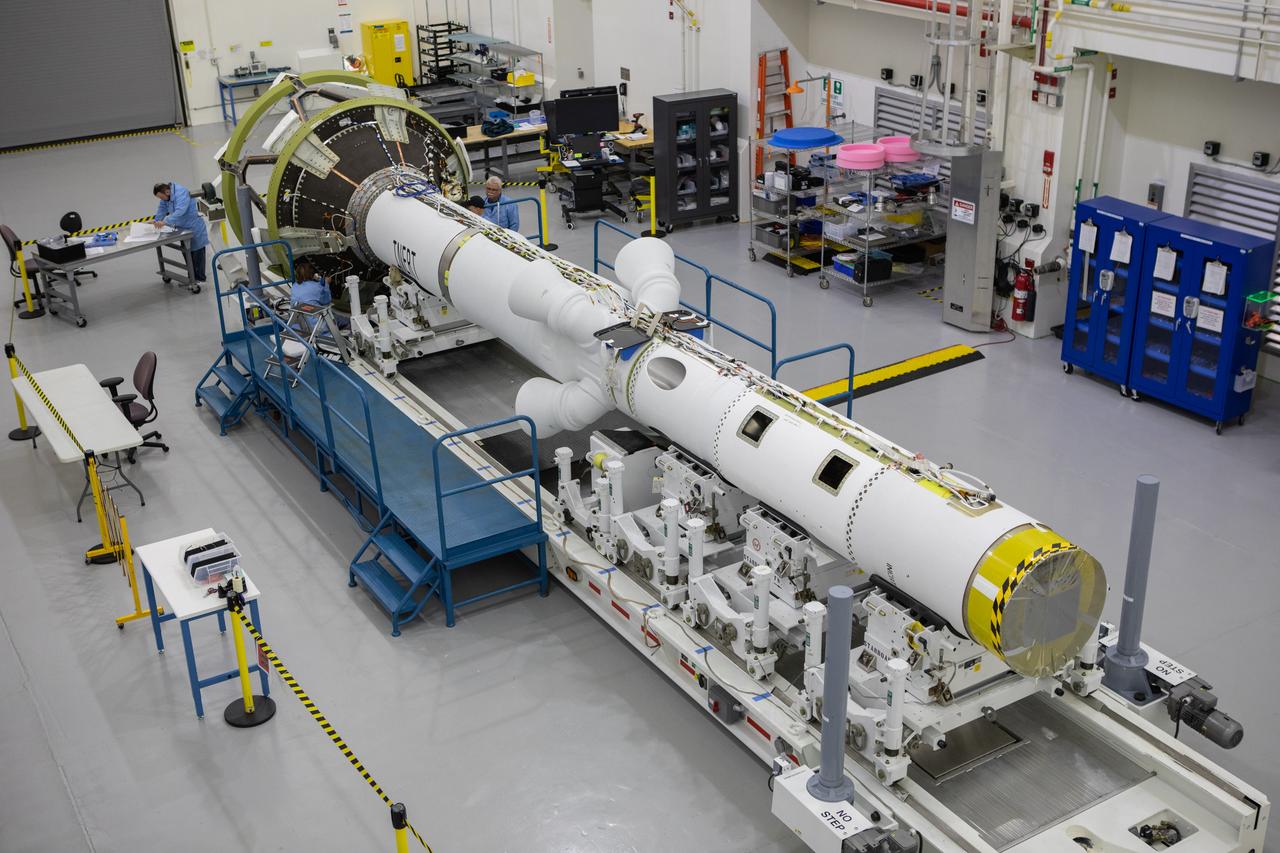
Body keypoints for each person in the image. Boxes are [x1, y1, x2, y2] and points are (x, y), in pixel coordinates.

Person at [152, 181, 210, 286]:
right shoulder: (166, 196)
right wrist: (156, 221)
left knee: (197, 255)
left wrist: (164, 221)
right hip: (182, 228)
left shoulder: (181, 193)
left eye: (161, 197)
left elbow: (180, 211)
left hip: (193, 227)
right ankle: (192, 279)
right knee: (187, 253)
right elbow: (162, 208)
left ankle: (200, 280)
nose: (162, 200)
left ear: (167, 192)